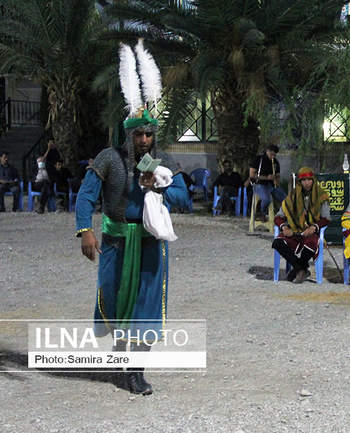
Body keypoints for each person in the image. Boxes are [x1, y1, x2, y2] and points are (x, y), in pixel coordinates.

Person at [76, 42, 190, 395]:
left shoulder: (162, 162)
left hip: (150, 245)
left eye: (148, 133)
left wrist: (159, 187)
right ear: (128, 133)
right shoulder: (109, 158)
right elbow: (86, 195)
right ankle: (121, 352)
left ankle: (136, 371)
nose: (143, 139)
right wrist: (85, 230)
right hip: (115, 243)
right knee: (114, 303)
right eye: (138, 133)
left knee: (145, 308)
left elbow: (183, 198)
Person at [272, 167, 330, 283]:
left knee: (311, 244)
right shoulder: (292, 196)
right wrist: (284, 227)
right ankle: (301, 269)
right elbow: (278, 217)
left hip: (311, 232)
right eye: (303, 180)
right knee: (278, 242)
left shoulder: (321, 195)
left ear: (313, 180)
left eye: (309, 180)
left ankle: (296, 270)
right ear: (299, 182)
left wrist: (314, 227)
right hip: (294, 231)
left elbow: (326, 218)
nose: (306, 183)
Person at [249, 144, 287, 218]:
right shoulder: (258, 159)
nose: (272, 156)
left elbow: (278, 175)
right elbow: (252, 175)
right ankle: (260, 213)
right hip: (259, 184)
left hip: (271, 185)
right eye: (271, 154)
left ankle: (282, 215)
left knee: (286, 199)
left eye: (274, 155)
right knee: (266, 200)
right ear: (267, 151)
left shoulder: (275, 162)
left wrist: (276, 180)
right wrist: (267, 178)